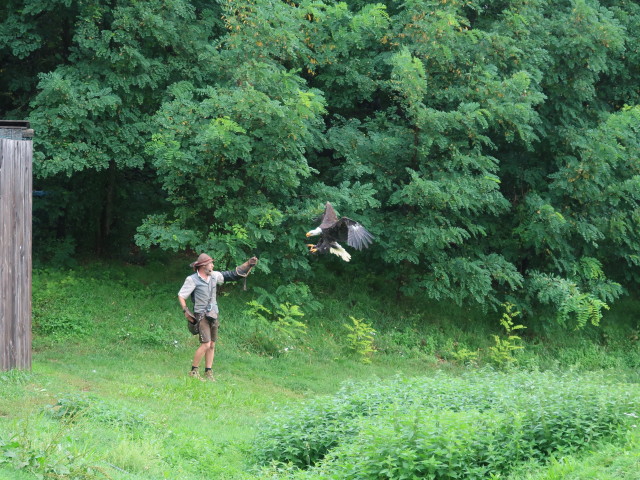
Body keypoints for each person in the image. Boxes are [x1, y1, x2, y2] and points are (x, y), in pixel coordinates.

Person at [178, 253, 258, 381]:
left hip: (213, 314)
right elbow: (181, 295)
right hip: (201, 314)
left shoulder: (215, 276)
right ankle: (193, 371)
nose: (213, 265)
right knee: (205, 344)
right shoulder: (192, 279)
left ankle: (208, 372)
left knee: (212, 345)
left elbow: (233, 274)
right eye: (211, 263)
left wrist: (248, 264)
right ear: (204, 266)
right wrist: (185, 310)